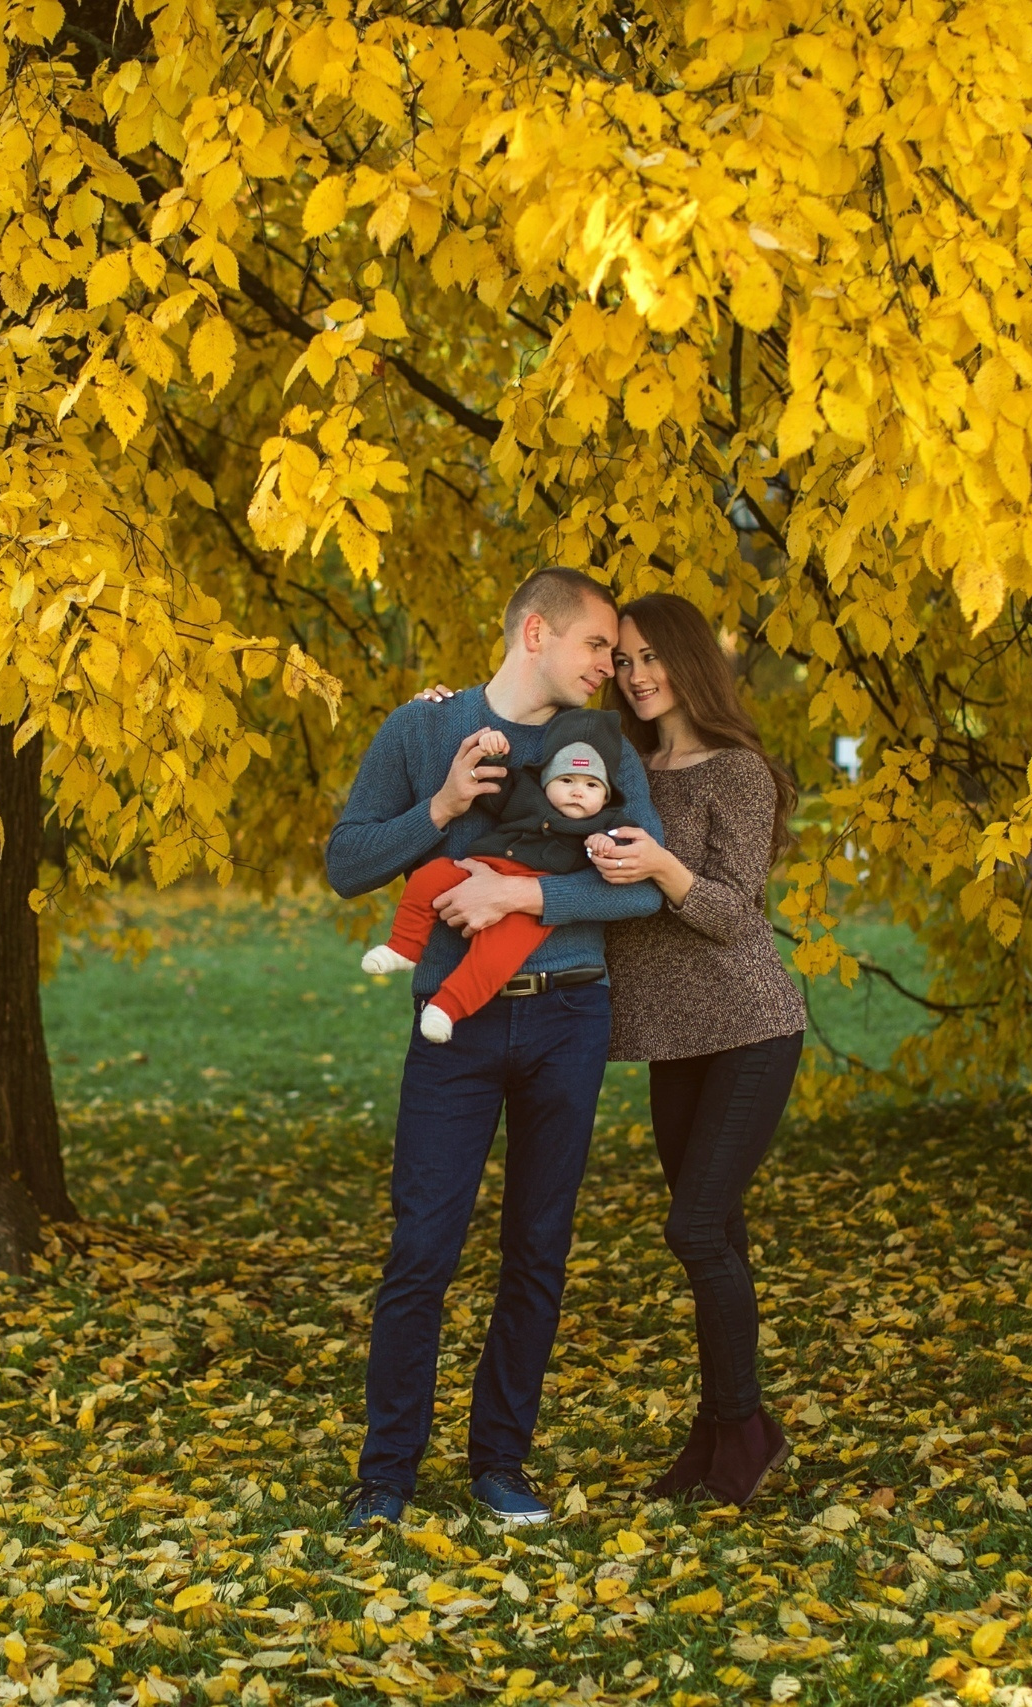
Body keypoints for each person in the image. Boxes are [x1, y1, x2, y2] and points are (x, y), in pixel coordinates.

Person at [325, 569, 665, 1529]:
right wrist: (434, 812)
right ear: (536, 633)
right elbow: (347, 862)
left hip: (570, 1017)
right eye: (598, 645)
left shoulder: (604, 747)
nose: (611, 666)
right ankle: (384, 1477)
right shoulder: (425, 729)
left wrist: (528, 898)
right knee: (421, 1250)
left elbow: (646, 883)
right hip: (455, 1021)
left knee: (537, 1250)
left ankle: (499, 1463)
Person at [588, 593, 807, 1510]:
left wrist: (663, 869)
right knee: (719, 1236)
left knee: (691, 1227)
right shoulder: (623, 767)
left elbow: (735, 911)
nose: (638, 675)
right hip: (674, 1038)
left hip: (751, 1026)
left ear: (687, 661)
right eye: (625, 660)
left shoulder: (738, 771)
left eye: (651, 657)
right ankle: (719, 1430)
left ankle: (747, 1424)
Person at [361, 707, 640, 1043]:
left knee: (497, 956)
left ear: (607, 795)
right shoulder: (528, 795)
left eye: (591, 785)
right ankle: (403, 947)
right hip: (480, 868)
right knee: (429, 877)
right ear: (547, 781)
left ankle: (447, 1007)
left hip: (529, 904)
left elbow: (630, 853)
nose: (577, 791)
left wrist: (605, 844)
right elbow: (493, 783)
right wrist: (491, 751)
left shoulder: (606, 822)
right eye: (566, 780)